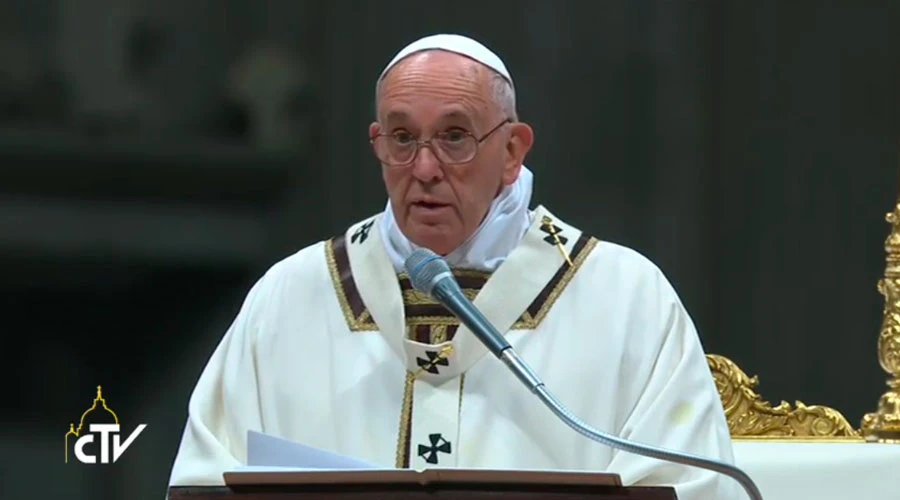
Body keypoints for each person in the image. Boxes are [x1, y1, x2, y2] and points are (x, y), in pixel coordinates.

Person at [168, 34, 740, 499]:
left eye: (454, 138)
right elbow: (204, 481)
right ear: (376, 144)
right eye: (401, 138)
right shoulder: (291, 298)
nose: (424, 168)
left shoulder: (624, 298)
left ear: (513, 150)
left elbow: (691, 487)